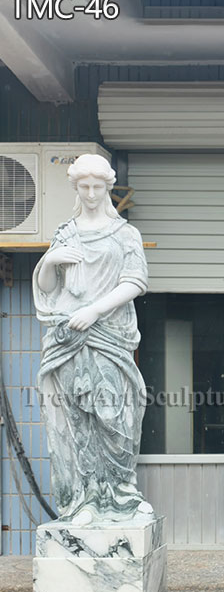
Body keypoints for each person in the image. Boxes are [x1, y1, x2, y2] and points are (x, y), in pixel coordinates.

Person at [32, 154, 151, 526]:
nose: (91, 193)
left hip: (108, 334)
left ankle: (123, 493)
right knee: (77, 420)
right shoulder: (66, 232)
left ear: (108, 187)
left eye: (98, 186)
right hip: (68, 334)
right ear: (76, 187)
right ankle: (87, 500)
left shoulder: (125, 234)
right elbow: (49, 288)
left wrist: (95, 311)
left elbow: (135, 282)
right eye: (84, 186)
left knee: (115, 414)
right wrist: (50, 261)